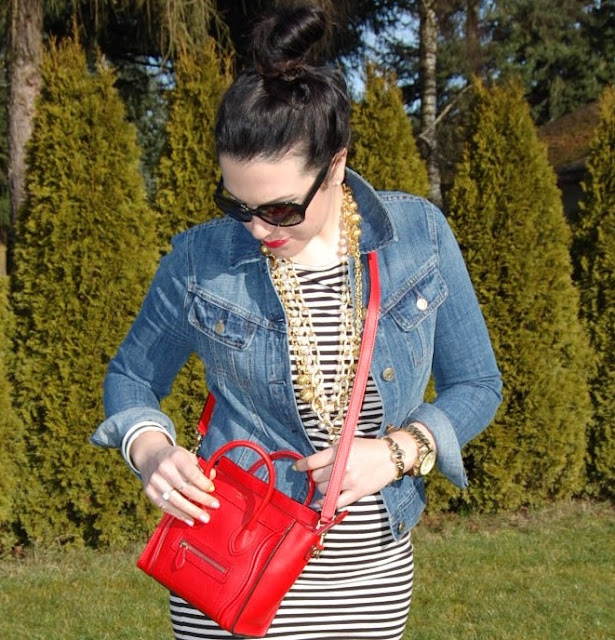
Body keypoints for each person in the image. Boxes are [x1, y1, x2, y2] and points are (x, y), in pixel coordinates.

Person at [92, 3, 502, 639]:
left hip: (367, 586)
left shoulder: (418, 237)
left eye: (281, 209)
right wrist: (149, 449)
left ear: (335, 166)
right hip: (226, 570)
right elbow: (130, 376)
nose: (257, 229)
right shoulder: (201, 258)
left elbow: (478, 384)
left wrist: (397, 453)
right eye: (238, 203)